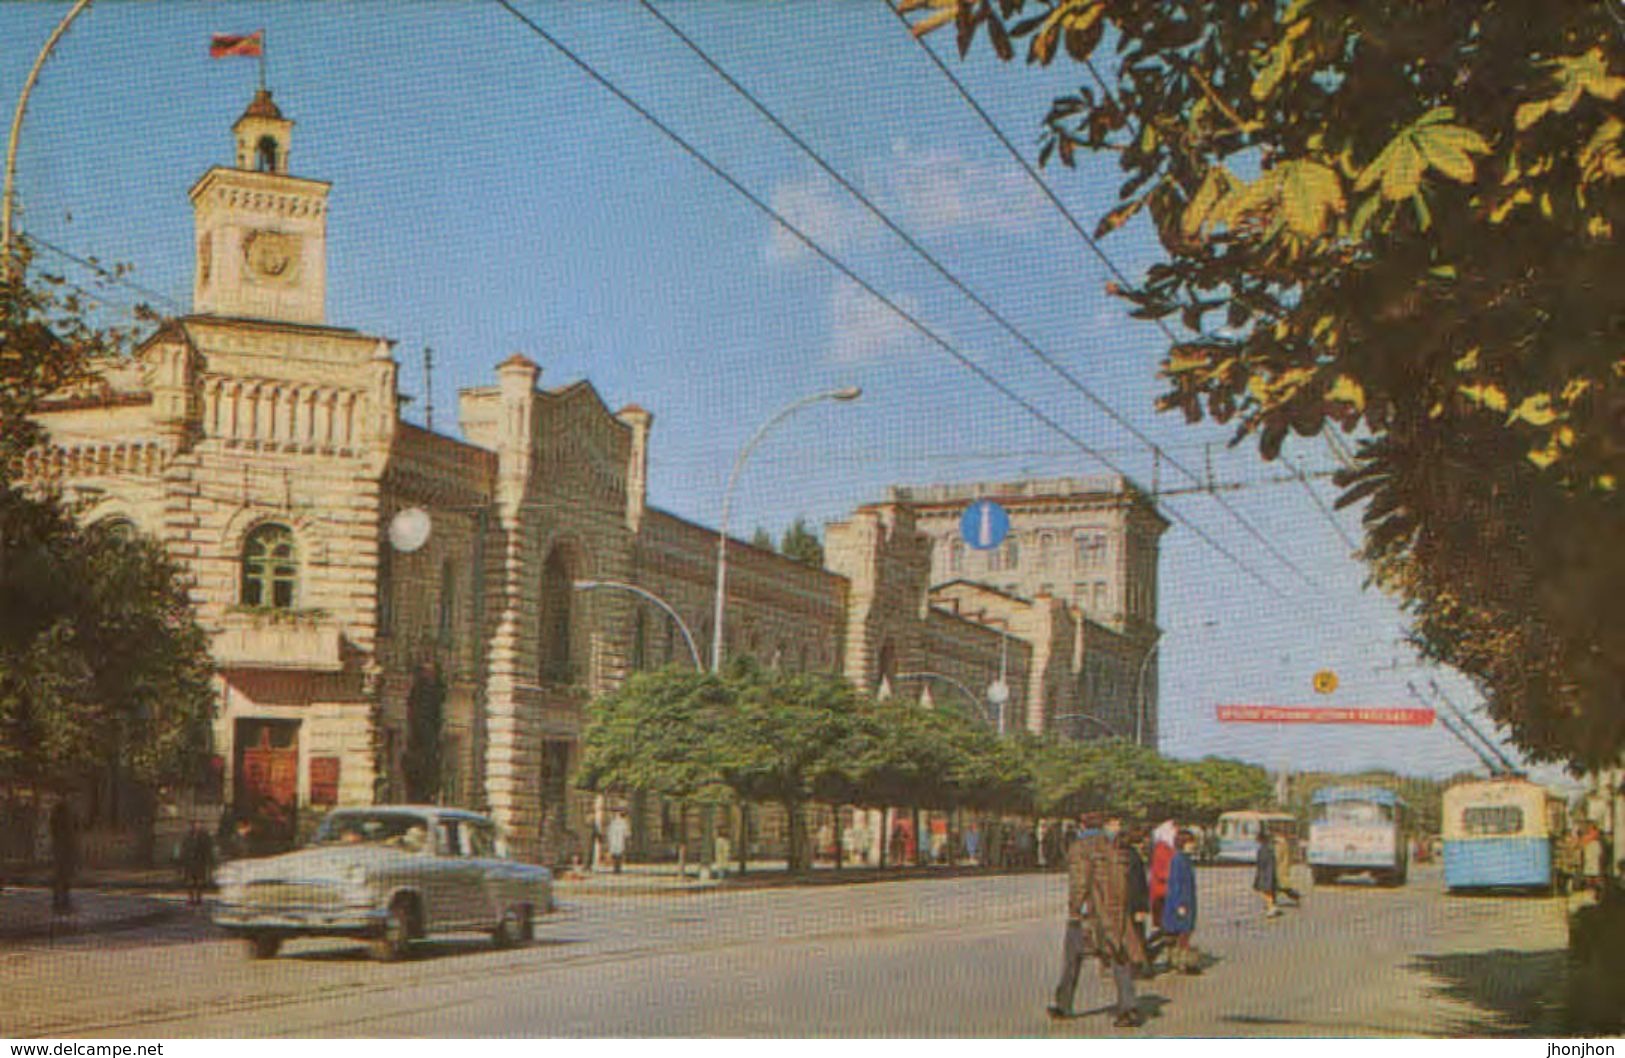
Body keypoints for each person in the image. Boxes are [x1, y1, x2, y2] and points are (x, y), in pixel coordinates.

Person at [1049, 811, 1149, 1029]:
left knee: (1072, 959)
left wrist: (1076, 909)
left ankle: (1063, 1004)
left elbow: (1080, 884)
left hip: (1091, 913)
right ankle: (1128, 1006)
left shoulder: (1081, 848)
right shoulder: (1118, 848)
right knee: (1118, 958)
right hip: (1115, 912)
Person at [1161, 831, 1201, 974]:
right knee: (1181, 933)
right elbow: (1176, 883)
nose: (1193, 845)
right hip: (1181, 902)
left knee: (1182, 933)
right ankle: (1180, 963)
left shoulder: (1185, 859)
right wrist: (1179, 905)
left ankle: (1178, 962)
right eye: (1191, 842)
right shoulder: (1178, 860)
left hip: (1186, 901)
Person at [1148, 819, 1178, 940]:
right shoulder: (1162, 849)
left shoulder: (1168, 848)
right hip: (1162, 891)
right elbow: (1162, 872)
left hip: (1166, 890)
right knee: (1164, 924)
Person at [49, 799, 77, 916]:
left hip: (60, 849)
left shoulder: (56, 821)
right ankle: (63, 898)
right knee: (63, 875)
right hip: (64, 849)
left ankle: (59, 898)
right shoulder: (65, 823)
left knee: (60, 875)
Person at [179, 820, 216, 907]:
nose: (198, 826)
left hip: (200, 861)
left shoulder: (205, 836)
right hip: (190, 862)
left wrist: (210, 861)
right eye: (196, 824)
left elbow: (208, 849)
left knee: (200, 881)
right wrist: (182, 859)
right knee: (190, 881)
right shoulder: (188, 836)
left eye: (199, 824)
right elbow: (184, 848)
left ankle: (199, 898)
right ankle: (190, 898)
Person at [1254, 827, 1282, 918]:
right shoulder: (1267, 848)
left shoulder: (1264, 850)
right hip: (1266, 874)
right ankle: (1272, 906)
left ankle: (1272, 908)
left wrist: (1266, 876)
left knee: (1267, 891)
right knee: (1267, 891)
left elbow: (1264, 864)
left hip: (1266, 874)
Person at [1272, 825, 1303, 906]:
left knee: (1281, 887)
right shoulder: (1284, 842)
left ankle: (1295, 896)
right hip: (1283, 867)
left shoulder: (1279, 843)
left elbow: (1277, 856)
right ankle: (1273, 901)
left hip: (1279, 868)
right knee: (1279, 886)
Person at [606, 810, 631, 874]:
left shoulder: (613, 823)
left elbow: (609, 832)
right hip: (620, 841)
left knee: (615, 855)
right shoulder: (624, 823)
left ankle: (615, 868)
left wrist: (609, 840)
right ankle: (618, 868)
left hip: (613, 841)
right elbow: (627, 834)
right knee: (619, 855)